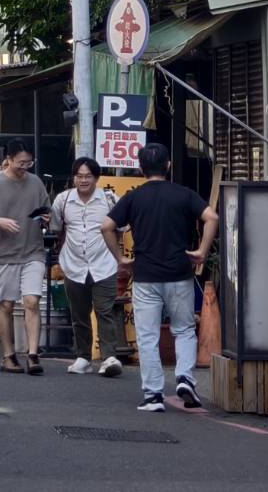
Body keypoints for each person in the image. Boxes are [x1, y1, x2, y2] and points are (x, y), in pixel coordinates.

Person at [101, 142, 218, 413]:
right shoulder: (183, 194)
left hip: (145, 275)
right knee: (184, 330)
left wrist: (120, 259)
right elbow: (211, 217)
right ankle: (185, 378)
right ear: (169, 166)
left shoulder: (134, 197)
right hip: (179, 272)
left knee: (147, 335)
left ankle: (153, 395)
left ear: (141, 168)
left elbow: (106, 226)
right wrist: (201, 251)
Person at [0, 140, 50, 375]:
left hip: (32, 251)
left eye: (29, 162)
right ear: (8, 159)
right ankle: (8, 355)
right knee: (6, 305)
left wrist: (46, 218)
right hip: (3, 253)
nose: (25, 167)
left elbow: (47, 210)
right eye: (21, 163)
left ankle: (33, 355)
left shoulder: (35, 182)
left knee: (32, 301)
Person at [52, 157, 124, 378]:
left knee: (105, 310)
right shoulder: (62, 200)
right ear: (73, 177)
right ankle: (83, 357)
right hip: (73, 264)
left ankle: (109, 357)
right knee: (79, 313)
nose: (83, 180)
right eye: (79, 176)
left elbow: (122, 226)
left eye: (88, 176)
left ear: (96, 178)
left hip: (104, 263)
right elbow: (56, 227)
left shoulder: (110, 199)